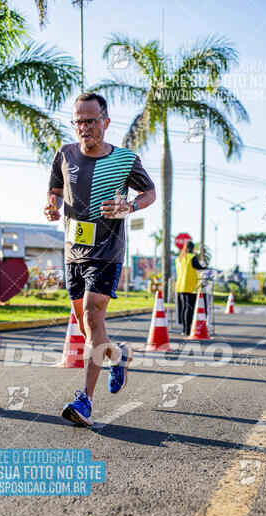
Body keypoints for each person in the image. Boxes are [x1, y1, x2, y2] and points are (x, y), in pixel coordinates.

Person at [44, 92, 155, 427]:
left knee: (93, 314)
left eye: (91, 121)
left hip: (107, 251)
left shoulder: (125, 159)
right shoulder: (64, 154)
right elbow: (55, 192)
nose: (84, 127)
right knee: (85, 324)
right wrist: (51, 206)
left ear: (105, 123)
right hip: (73, 251)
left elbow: (149, 191)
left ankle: (85, 401)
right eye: (79, 121)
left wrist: (131, 206)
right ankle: (118, 355)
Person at [175, 241, 206, 338]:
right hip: (190, 287)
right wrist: (205, 267)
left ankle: (184, 329)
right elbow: (199, 268)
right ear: (192, 249)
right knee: (189, 308)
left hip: (180, 286)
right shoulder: (192, 257)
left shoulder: (179, 259)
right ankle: (188, 330)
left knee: (184, 308)